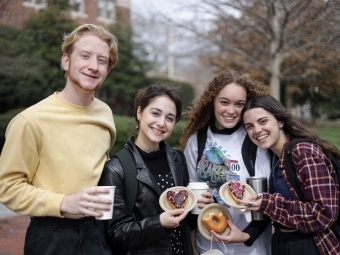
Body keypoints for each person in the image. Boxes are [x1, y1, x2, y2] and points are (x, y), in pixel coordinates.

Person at [0, 24, 118, 255]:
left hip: (98, 232)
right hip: (50, 235)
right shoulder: (30, 121)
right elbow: (8, 187)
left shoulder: (105, 113)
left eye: (102, 60)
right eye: (85, 56)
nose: (93, 66)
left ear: (107, 70)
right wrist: (63, 203)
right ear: (66, 61)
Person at [231, 95, 340, 255]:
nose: (257, 130)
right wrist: (245, 234)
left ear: (280, 121)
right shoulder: (275, 156)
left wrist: (268, 203)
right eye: (249, 126)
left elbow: (323, 214)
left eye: (263, 121)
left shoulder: (303, 152)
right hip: (282, 242)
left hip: (312, 245)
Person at [179, 70, 273, 255]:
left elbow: (268, 198)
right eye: (224, 102)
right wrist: (192, 245)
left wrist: (246, 236)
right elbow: (189, 195)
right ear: (212, 102)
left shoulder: (255, 139)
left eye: (239, 104)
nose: (231, 111)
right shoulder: (197, 140)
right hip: (209, 246)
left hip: (251, 248)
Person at [99, 82, 194, 255]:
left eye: (170, 118)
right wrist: (159, 223)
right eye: (155, 113)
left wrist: (200, 206)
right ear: (139, 112)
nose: (161, 123)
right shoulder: (115, 169)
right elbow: (115, 234)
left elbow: (186, 222)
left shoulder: (177, 159)